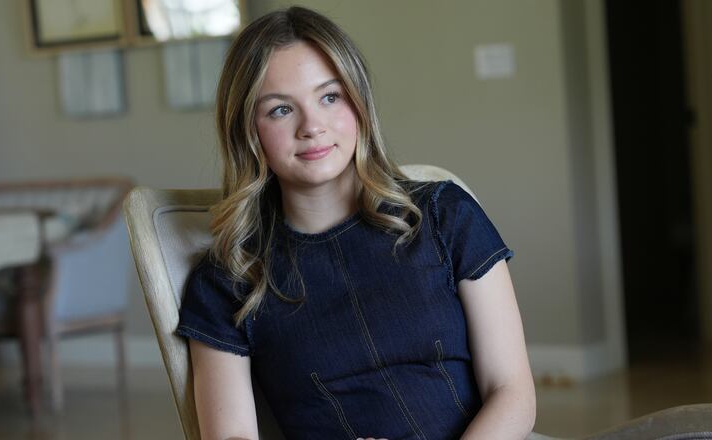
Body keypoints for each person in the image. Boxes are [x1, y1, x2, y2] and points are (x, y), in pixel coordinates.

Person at [175, 6, 535, 440]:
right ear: (247, 131)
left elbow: (512, 393)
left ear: (359, 103)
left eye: (330, 97)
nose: (312, 126)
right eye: (280, 110)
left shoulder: (444, 215)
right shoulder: (227, 280)